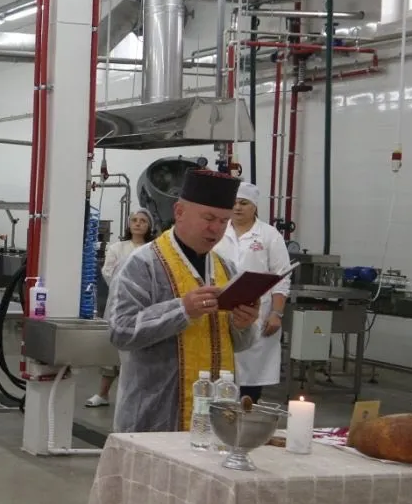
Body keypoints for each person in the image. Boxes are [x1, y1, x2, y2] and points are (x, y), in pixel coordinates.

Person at [106, 169, 262, 434]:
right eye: (208, 218)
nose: (216, 228)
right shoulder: (142, 264)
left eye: (224, 221)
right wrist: (182, 309)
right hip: (154, 412)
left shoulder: (226, 269)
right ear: (179, 212)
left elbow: (240, 344)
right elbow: (120, 331)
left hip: (215, 414)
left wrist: (243, 324)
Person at [217, 182, 291, 402]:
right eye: (234, 203)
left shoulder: (269, 235)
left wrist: (276, 313)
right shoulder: (219, 231)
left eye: (244, 203)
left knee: (251, 374)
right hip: (221, 310)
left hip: (258, 314)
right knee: (221, 373)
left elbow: (282, 276)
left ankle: (248, 409)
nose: (237, 207)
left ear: (255, 206)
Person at [86, 209, 156, 408]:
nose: (138, 224)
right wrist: (130, 287)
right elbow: (108, 272)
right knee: (113, 352)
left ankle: (137, 398)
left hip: (146, 306)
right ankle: (103, 394)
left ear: (149, 226)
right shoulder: (117, 248)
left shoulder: (154, 249)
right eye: (134, 220)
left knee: (141, 353)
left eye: (143, 221)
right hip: (119, 304)